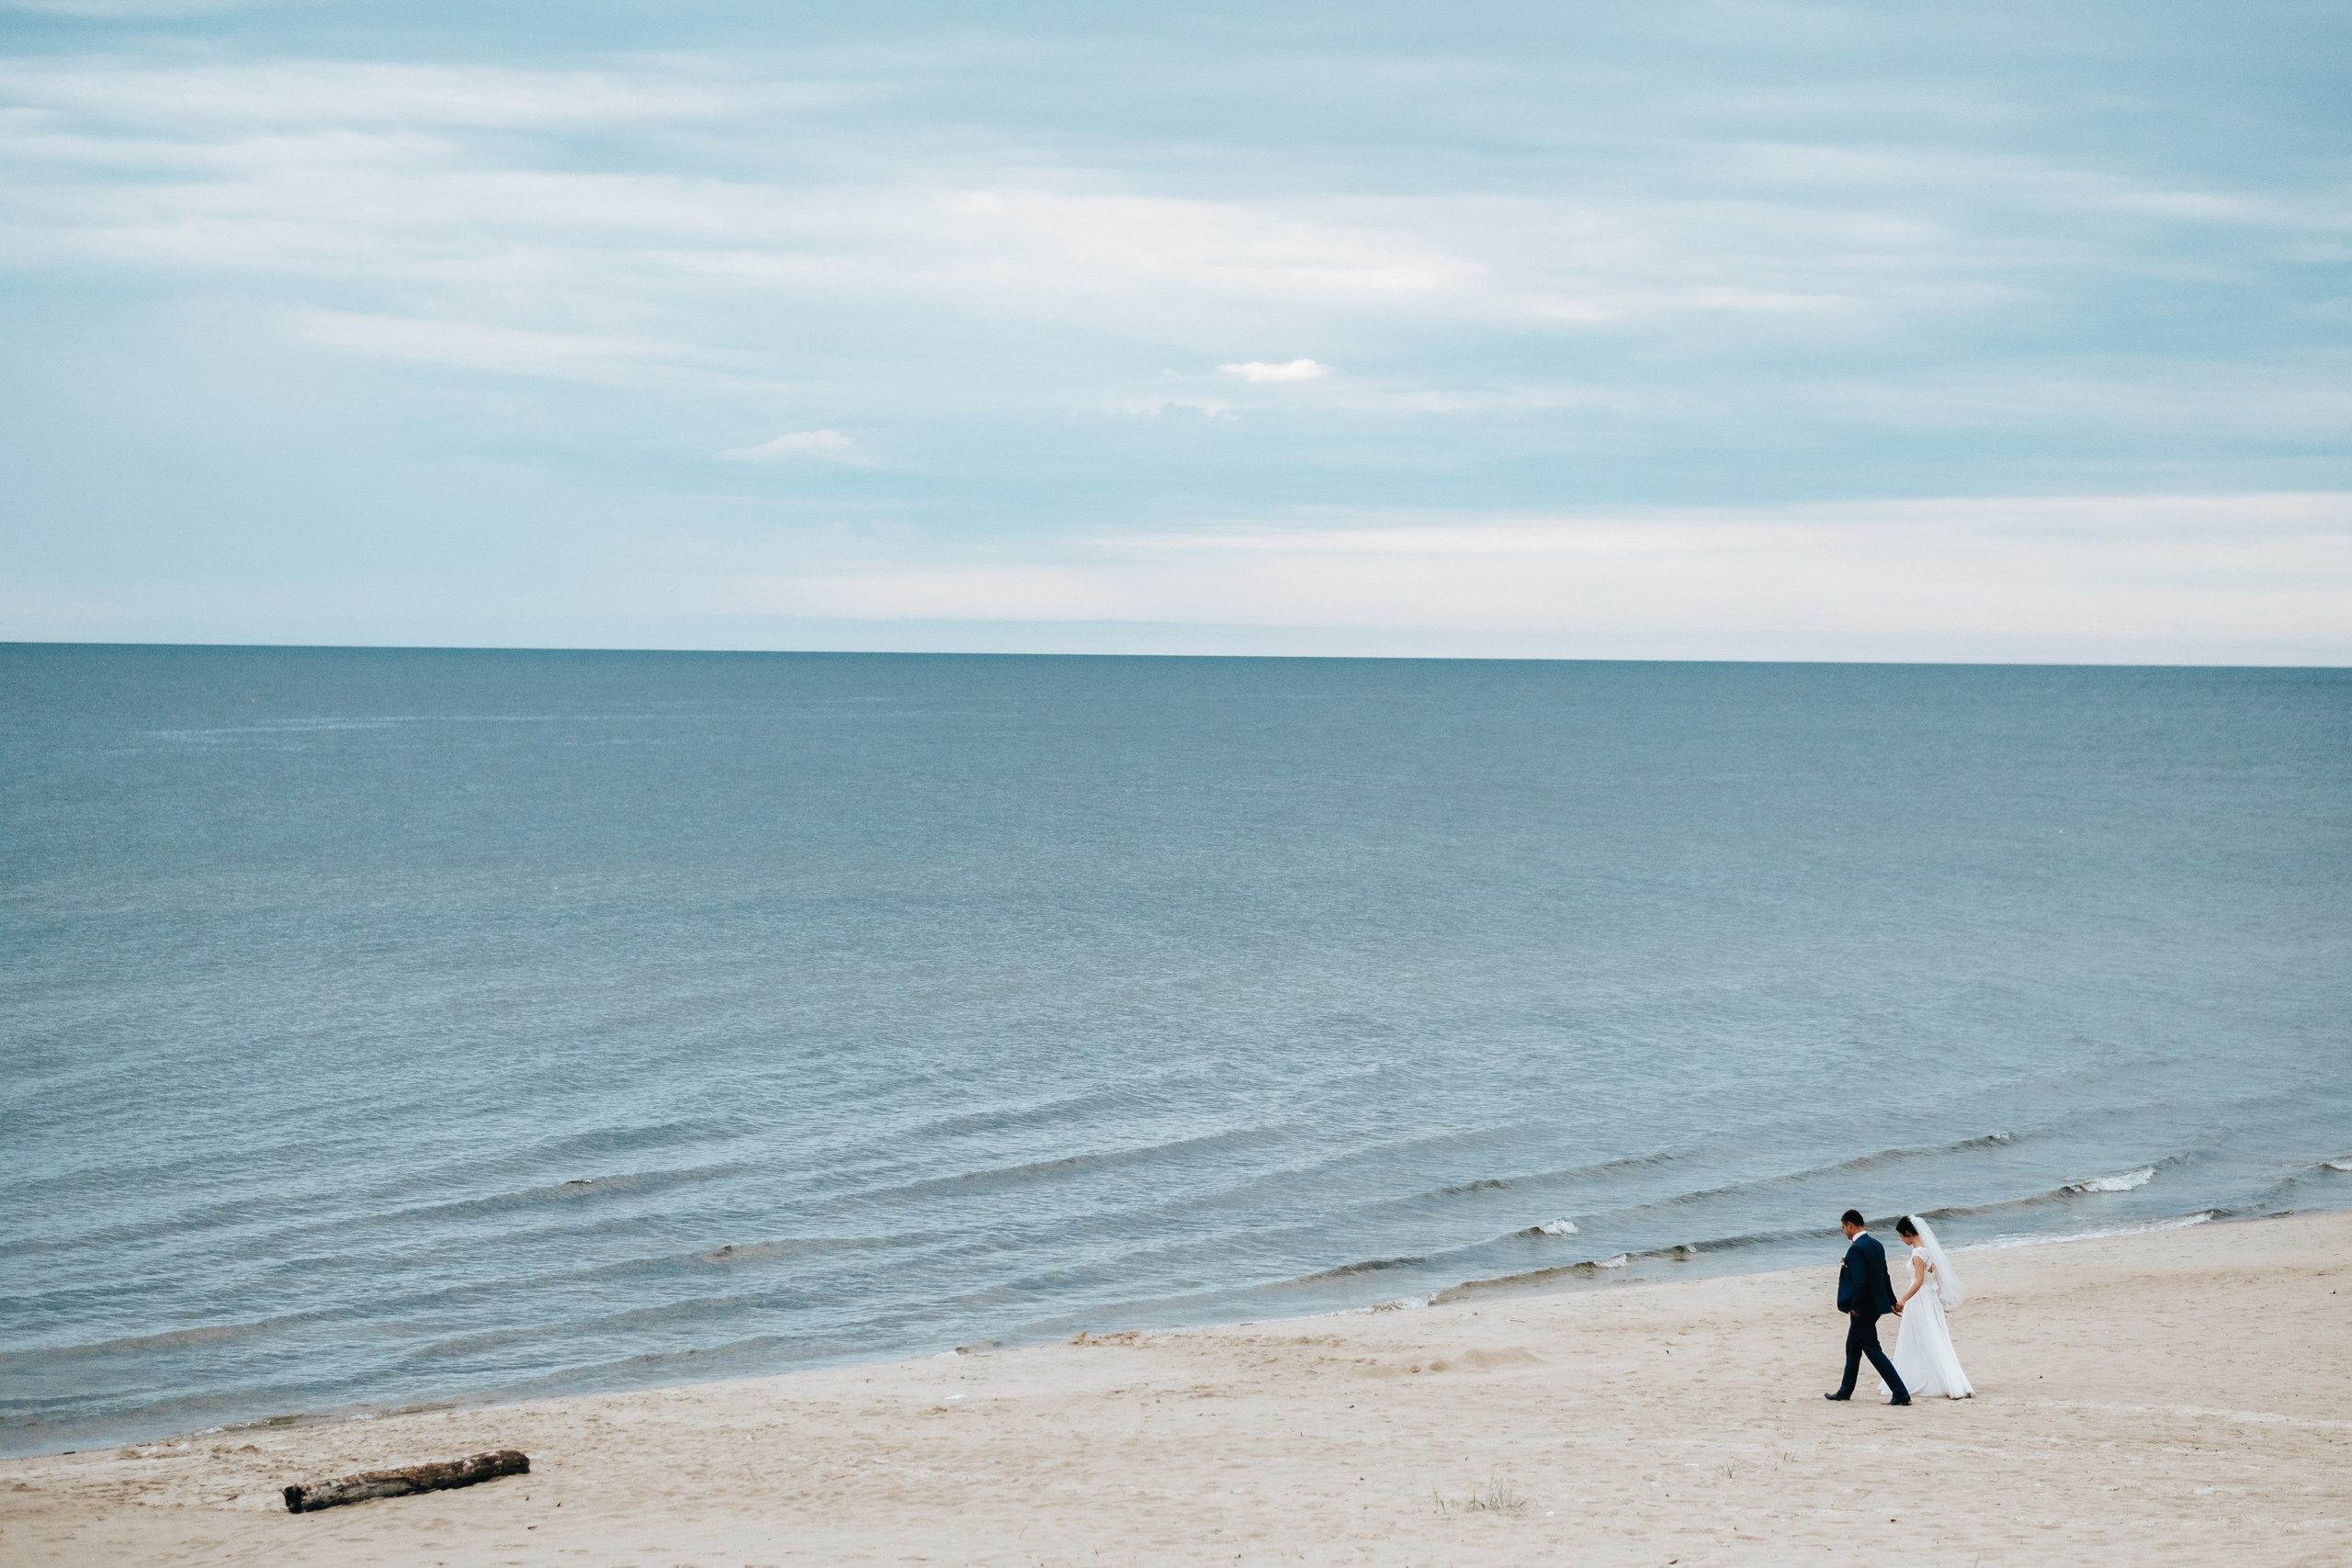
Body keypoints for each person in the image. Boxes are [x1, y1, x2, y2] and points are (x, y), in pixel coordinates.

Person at [1880, 1214, 1974, 1399]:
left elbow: (1919, 1281)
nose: (1901, 1240)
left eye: (1901, 1236)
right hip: (1929, 1297)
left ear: (1908, 1233)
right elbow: (1935, 1278)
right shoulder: (1928, 1251)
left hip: (1919, 1298)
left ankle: (1921, 1379)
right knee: (1933, 1336)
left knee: (1920, 1337)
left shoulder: (1917, 1254)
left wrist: (1903, 1299)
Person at [1826, 1208, 1909, 1405]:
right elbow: (1884, 1276)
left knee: (1872, 1349)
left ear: (1851, 1225)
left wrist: (1855, 1308)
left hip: (1862, 1308)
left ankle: (1900, 1392)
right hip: (1874, 1305)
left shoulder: (1856, 1249)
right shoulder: (1876, 1245)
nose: (1843, 1231)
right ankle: (1845, 1391)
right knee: (1853, 1347)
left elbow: (1860, 1282)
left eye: (1843, 1227)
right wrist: (1891, 1301)